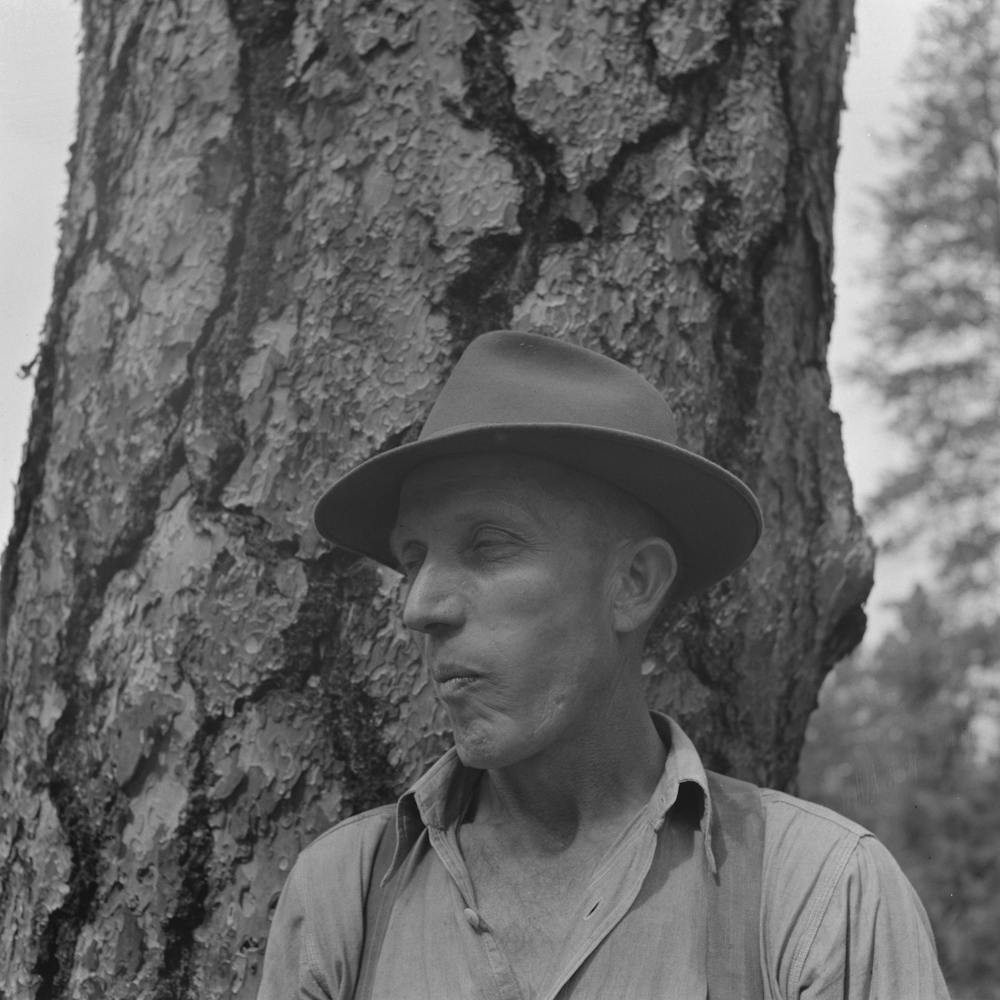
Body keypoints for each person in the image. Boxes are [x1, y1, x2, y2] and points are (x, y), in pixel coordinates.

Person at [258, 331, 949, 999]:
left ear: (634, 585)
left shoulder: (821, 897)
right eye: (413, 558)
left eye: (488, 544)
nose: (420, 606)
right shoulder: (342, 898)